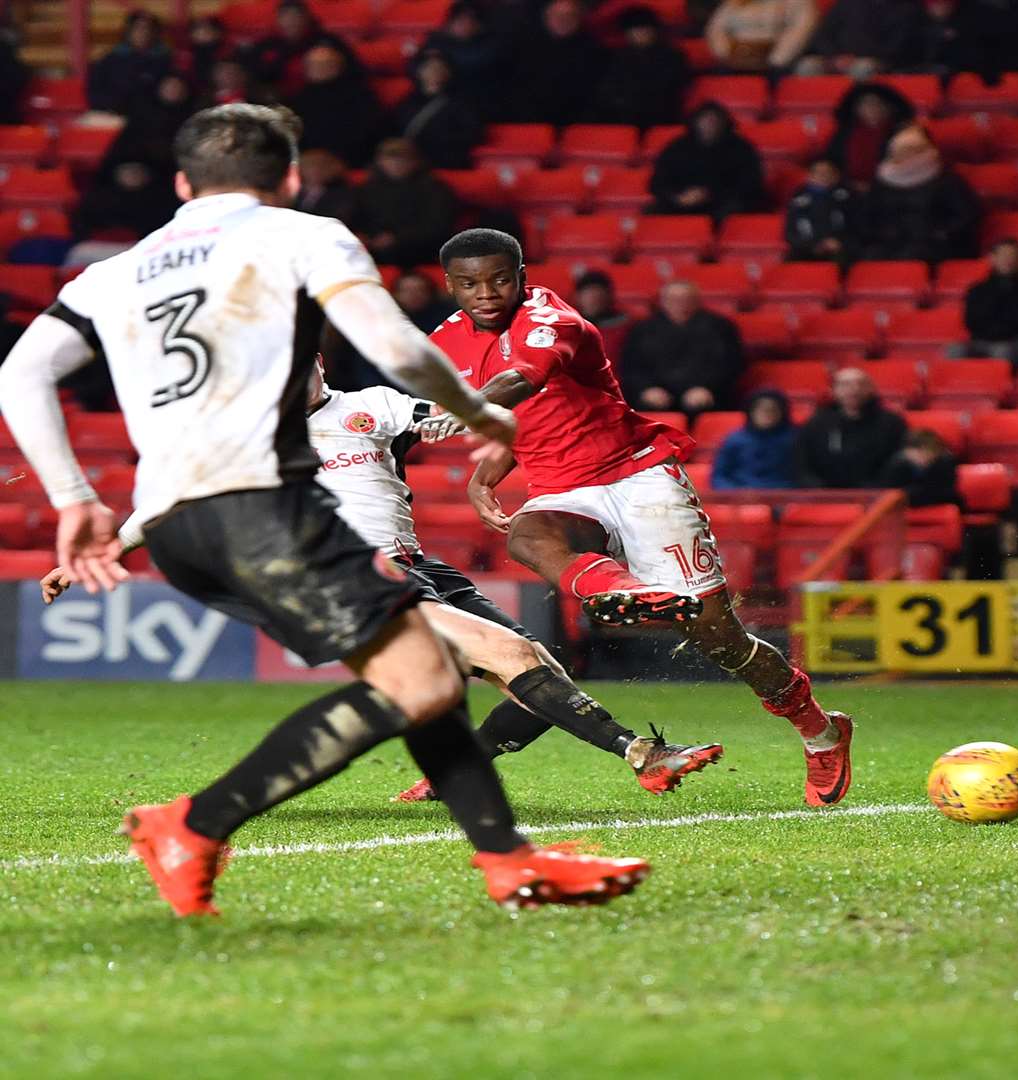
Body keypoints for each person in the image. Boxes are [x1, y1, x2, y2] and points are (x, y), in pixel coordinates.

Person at [0, 103, 647, 915]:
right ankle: (193, 823)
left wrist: (73, 498)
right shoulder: (300, 234)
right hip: (260, 504)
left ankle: (508, 862)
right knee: (444, 666)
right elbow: (397, 348)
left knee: (425, 670)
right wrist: (478, 413)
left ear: (180, 182)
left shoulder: (114, 270)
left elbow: (20, 375)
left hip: (175, 526)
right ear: (291, 178)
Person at [44, 363, 726, 803]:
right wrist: (99, 547)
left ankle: (443, 778)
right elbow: (169, 498)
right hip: (351, 577)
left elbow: (444, 419)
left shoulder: (369, 406)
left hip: (419, 566)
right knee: (513, 659)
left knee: (534, 669)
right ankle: (644, 753)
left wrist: (498, 402)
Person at [424, 228, 855, 806]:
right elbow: (527, 414)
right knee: (528, 536)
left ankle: (821, 731)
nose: (487, 292)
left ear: (522, 274)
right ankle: (626, 590)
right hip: (563, 487)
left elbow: (524, 379)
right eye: (470, 283)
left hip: (637, 475)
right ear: (449, 285)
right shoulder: (445, 341)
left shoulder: (552, 321)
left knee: (719, 637)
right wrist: (485, 474)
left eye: (501, 278)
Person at [618, 279, 746, 415]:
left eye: (686, 299)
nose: (680, 303)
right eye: (674, 299)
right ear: (663, 301)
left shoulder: (720, 327)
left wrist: (708, 388)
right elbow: (631, 367)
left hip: (706, 394)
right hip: (656, 394)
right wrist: (646, 389)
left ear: (697, 300)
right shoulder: (642, 329)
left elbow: (731, 364)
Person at [856, 125, 980, 262]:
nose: (903, 155)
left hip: (934, 243)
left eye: (910, 150)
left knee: (912, 257)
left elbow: (966, 215)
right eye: (900, 151)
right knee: (870, 258)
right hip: (890, 241)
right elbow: (868, 215)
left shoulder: (946, 179)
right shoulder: (882, 181)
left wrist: (940, 233)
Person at [648, 102, 767, 220]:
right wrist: (679, 197)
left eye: (714, 121)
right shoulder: (677, 148)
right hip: (682, 202)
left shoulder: (741, 148)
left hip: (722, 203)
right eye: (705, 120)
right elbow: (658, 182)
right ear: (695, 122)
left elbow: (750, 184)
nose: (709, 125)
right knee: (652, 212)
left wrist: (709, 195)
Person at [349, 138, 457, 266]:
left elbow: (438, 226)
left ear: (416, 162)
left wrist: (397, 238)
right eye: (390, 159)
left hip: (418, 249)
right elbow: (355, 217)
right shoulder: (366, 188)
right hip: (373, 246)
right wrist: (362, 235)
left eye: (403, 159)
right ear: (379, 162)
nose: (396, 164)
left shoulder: (434, 188)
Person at [796, 366, 908, 487]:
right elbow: (802, 464)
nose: (854, 389)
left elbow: (900, 461)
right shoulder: (816, 423)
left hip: (876, 493)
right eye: (845, 384)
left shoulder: (892, 423)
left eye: (861, 384)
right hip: (824, 494)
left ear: (871, 389)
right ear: (833, 390)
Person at [508, 0, 606, 127]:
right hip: (529, 120)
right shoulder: (523, 48)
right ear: (546, 17)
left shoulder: (594, 52)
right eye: (558, 16)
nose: (563, 20)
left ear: (579, 18)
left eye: (570, 16)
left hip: (578, 122)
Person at [283, 43, 383, 166]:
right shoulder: (300, 97)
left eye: (323, 65)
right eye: (312, 65)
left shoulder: (359, 95)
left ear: (337, 66)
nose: (316, 69)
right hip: (307, 159)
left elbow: (367, 131)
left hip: (347, 159)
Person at [594, 8, 690, 130]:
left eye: (645, 29)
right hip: (621, 117)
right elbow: (608, 89)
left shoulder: (672, 56)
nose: (640, 34)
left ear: (654, 30)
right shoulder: (616, 57)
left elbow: (673, 88)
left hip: (661, 116)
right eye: (635, 30)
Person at [389, 51, 484, 170]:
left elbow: (473, 133)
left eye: (440, 68)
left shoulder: (462, 102)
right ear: (419, 72)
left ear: (449, 72)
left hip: (444, 162)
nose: (434, 72)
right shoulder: (407, 103)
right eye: (429, 68)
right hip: (409, 163)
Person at [960, 238, 1018, 363]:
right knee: (954, 350)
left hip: (1015, 343)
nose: (1008, 260)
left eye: (1013, 256)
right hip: (982, 341)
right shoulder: (978, 290)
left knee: (1002, 351)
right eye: (1003, 255)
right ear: (993, 258)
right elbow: (971, 321)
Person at [243, 2, 357, 91]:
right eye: (286, 16)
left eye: (296, 16)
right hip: (278, 99)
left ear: (306, 18)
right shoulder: (267, 45)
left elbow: (352, 71)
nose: (291, 21)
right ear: (278, 20)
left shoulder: (328, 42)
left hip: (323, 96)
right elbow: (255, 74)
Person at [795, 0, 919, 79]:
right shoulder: (846, 4)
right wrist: (834, 57)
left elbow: (897, 47)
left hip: (878, 61)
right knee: (807, 66)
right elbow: (822, 35)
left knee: (862, 68)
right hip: (836, 59)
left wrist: (854, 59)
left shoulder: (905, 8)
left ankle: (853, 109)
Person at [826, 83, 914, 188]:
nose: (872, 108)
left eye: (878, 103)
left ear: (891, 107)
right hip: (847, 190)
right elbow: (831, 160)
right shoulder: (845, 131)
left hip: (892, 191)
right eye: (865, 103)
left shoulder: (906, 133)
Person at [87, 12, 175, 116]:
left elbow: (173, 94)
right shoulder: (110, 60)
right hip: (114, 115)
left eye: (149, 28)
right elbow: (95, 93)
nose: (144, 32)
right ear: (129, 31)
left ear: (155, 32)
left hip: (153, 116)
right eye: (138, 28)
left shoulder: (166, 60)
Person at [71, 160, 179, 242]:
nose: (132, 176)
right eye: (127, 172)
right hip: (98, 245)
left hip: (143, 247)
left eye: (137, 172)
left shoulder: (160, 201)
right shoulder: (97, 199)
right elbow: (82, 228)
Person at [711, 389, 799, 490]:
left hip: (783, 495)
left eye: (772, 410)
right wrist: (734, 493)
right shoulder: (734, 440)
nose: (766, 414)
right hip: (741, 496)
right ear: (751, 412)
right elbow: (719, 476)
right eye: (761, 410)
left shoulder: (795, 439)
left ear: (782, 412)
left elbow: (803, 476)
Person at [705, 0, 818, 73]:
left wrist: (776, 60)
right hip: (735, 59)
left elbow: (800, 30)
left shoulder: (798, 2)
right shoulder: (733, 3)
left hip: (776, 62)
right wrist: (726, 53)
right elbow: (716, 30)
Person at [785, 157, 858, 262]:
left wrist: (840, 242)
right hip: (807, 249)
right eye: (818, 172)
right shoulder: (798, 200)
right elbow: (790, 233)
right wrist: (815, 245)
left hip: (840, 248)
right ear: (809, 176)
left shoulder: (847, 198)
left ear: (835, 176)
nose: (823, 176)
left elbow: (855, 228)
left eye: (827, 172)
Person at [423, 2, 505, 94]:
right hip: (436, 98)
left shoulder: (491, 42)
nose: (466, 25)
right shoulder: (437, 39)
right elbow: (415, 64)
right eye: (460, 20)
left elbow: (480, 64)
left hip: (478, 96)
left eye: (471, 21)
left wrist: (445, 63)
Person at [900, 0, 988, 77]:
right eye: (936, 4)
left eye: (945, 4)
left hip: (959, 73)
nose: (941, 7)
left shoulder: (969, 19)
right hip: (918, 71)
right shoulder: (911, 19)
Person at [879, 429, 960, 506]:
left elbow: (938, 493)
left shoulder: (944, 465)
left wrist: (903, 495)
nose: (915, 458)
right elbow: (888, 490)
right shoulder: (899, 466)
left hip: (940, 505)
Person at [292, 147, 354, 219]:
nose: (315, 170)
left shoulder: (341, 196)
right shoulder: (293, 191)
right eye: (309, 165)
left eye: (321, 166)